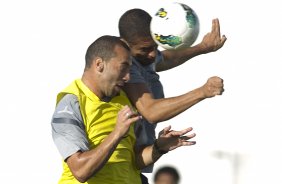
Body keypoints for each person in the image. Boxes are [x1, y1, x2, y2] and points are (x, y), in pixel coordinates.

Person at [51, 35, 197, 184]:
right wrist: (117, 133)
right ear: (99, 64)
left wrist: (158, 148)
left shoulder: (125, 101)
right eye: (123, 67)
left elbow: (134, 161)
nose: (128, 77)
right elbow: (81, 171)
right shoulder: (70, 103)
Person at [118, 8, 227, 174]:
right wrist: (202, 91)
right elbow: (151, 111)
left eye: (155, 46)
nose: (153, 54)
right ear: (125, 45)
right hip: (117, 171)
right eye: (145, 49)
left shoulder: (145, 58)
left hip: (134, 169)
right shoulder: (126, 67)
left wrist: (203, 47)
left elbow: (168, 58)